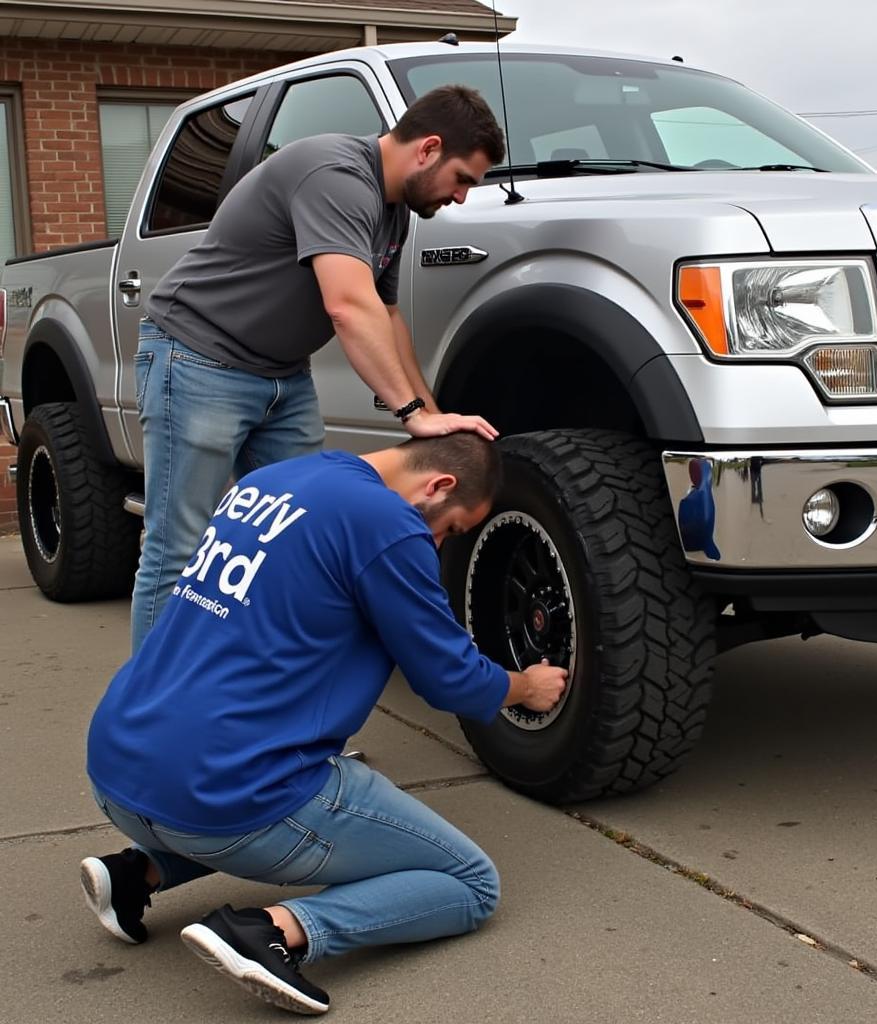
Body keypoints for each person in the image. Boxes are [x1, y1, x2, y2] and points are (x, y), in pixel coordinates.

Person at [81, 433, 567, 1016]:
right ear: (439, 486)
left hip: (119, 771)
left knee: (235, 786)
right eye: (453, 529)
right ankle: (272, 932)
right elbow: (448, 679)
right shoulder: (387, 522)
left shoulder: (269, 484)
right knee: (470, 882)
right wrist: (524, 686)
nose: (437, 544)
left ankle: (137, 872)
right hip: (226, 794)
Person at [131, 84, 506, 653]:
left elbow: (387, 318)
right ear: (428, 149)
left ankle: (293, 734)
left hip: (282, 378)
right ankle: (152, 731)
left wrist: (432, 418)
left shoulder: (394, 213)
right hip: (197, 358)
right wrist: (407, 412)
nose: (459, 198)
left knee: (306, 540)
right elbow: (347, 305)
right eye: (462, 179)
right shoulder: (334, 174)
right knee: (180, 550)